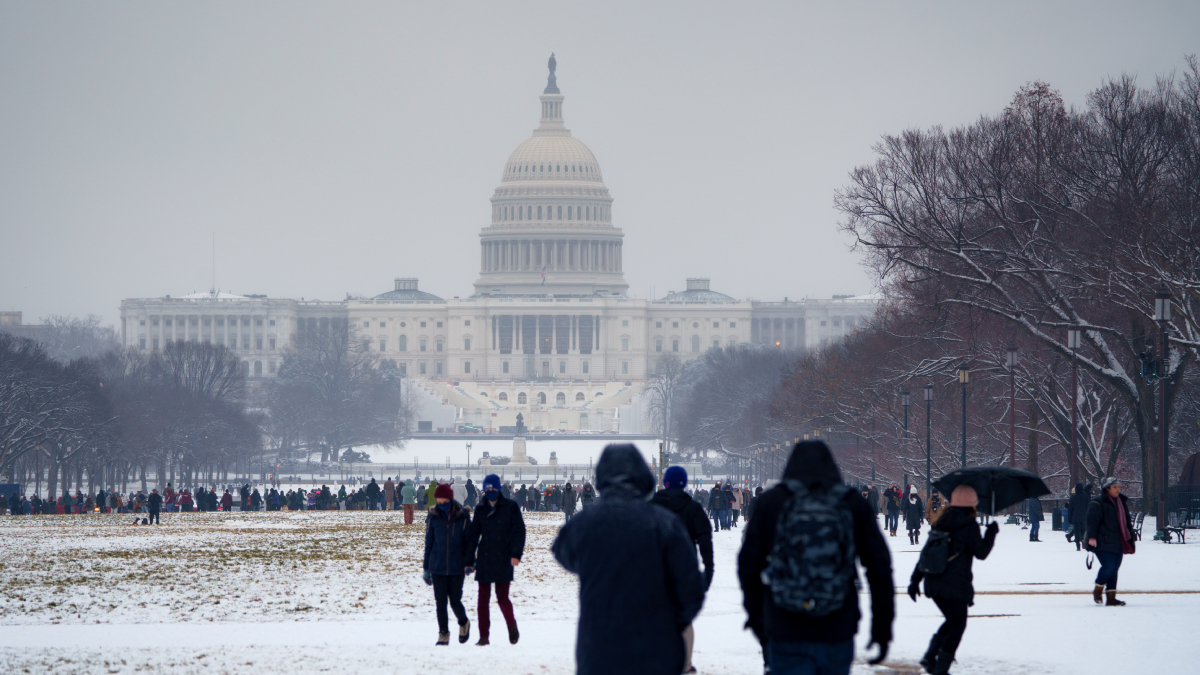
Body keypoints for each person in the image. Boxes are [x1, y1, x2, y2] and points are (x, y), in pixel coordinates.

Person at [739, 441, 894, 675]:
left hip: (785, 626)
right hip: (837, 627)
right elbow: (879, 568)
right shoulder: (851, 503)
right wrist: (882, 627)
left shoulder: (773, 502)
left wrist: (759, 619)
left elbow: (748, 565)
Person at [552, 445, 705, 675]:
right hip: (656, 648)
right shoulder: (664, 523)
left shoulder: (585, 524)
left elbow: (563, 554)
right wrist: (671, 623)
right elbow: (691, 588)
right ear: (643, 478)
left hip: (599, 648)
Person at [908, 484, 999, 675]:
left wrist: (915, 581)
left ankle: (931, 656)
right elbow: (981, 552)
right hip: (954, 585)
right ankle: (940, 669)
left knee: (951, 621)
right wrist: (991, 533)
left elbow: (926, 552)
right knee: (957, 626)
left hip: (933, 583)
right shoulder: (969, 525)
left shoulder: (942, 521)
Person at [652, 465, 715, 674]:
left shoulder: (651, 506)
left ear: (665, 482)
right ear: (685, 484)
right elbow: (705, 540)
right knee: (683, 619)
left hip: (655, 570)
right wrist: (709, 570)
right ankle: (685, 663)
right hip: (684, 571)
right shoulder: (693, 508)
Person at [465, 474, 525, 646]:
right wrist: (469, 560)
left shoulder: (511, 507)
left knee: (502, 597)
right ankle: (484, 636)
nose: (490, 492)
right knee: (482, 599)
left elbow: (519, 532)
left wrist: (516, 554)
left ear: (499, 489)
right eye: (487, 489)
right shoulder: (480, 508)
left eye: (493, 488)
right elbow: (473, 535)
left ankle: (512, 626)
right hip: (485, 557)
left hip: (504, 557)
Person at [424, 483, 473, 645]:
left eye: (443, 499)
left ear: (450, 498)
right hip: (437, 565)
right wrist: (426, 568)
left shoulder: (462, 517)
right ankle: (443, 633)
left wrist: (469, 563)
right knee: (440, 602)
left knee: (454, 600)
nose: (440, 502)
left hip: (456, 565)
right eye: (438, 499)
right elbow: (429, 543)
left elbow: (470, 542)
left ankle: (463, 622)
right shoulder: (433, 517)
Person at [1086, 477, 1135, 606]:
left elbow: (1126, 522)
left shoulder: (1121, 502)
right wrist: (1091, 538)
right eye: (1114, 487)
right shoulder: (1098, 502)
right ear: (1107, 488)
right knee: (1108, 566)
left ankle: (1111, 598)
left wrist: (1131, 536)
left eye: (1118, 487)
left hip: (1118, 541)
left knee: (1114, 569)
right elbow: (1091, 522)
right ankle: (1098, 589)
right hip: (1102, 541)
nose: (1118, 489)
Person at [1070, 483, 1092, 550]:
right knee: (1083, 530)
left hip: (1075, 516)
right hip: (1084, 516)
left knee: (1077, 531)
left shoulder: (1073, 497)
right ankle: (1083, 541)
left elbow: (1071, 509)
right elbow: (1089, 507)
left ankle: (1078, 545)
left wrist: (1070, 518)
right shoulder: (1086, 497)